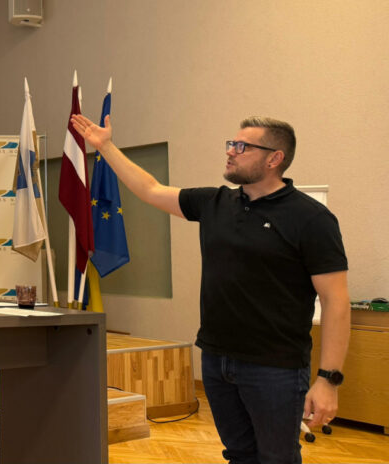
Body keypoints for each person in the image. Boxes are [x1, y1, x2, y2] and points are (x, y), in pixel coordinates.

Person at [70, 113, 349, 464]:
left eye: (242, 146)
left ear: (274, 159)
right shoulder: (215, 203)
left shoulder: (311, 218)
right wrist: (106, 147)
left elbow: (336, 301)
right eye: (231, 144)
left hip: (275, 368)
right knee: (239, 455)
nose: (230, 151)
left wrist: (328, 380)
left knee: (278, 458)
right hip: (217, 360)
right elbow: (150, 189)